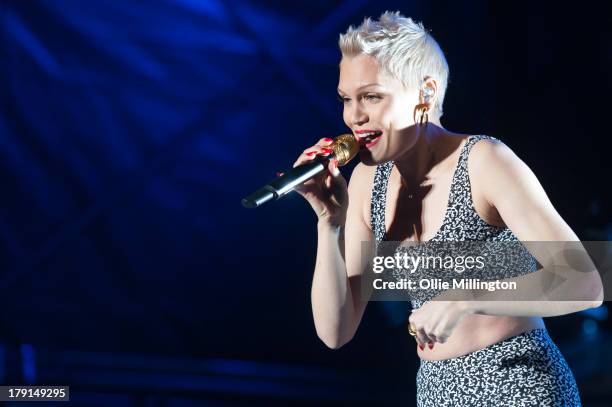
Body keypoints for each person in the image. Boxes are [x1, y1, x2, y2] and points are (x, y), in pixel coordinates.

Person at [288, 11, 603, 406]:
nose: (354, 116)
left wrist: (467, 296)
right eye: (347, 100)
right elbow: (335, 331)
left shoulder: (484, 160)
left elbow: (586, 283)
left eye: (371, 96)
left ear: (425, 93)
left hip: (517, 382)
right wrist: (328, 223)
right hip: (437, 390)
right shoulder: (369, 182)